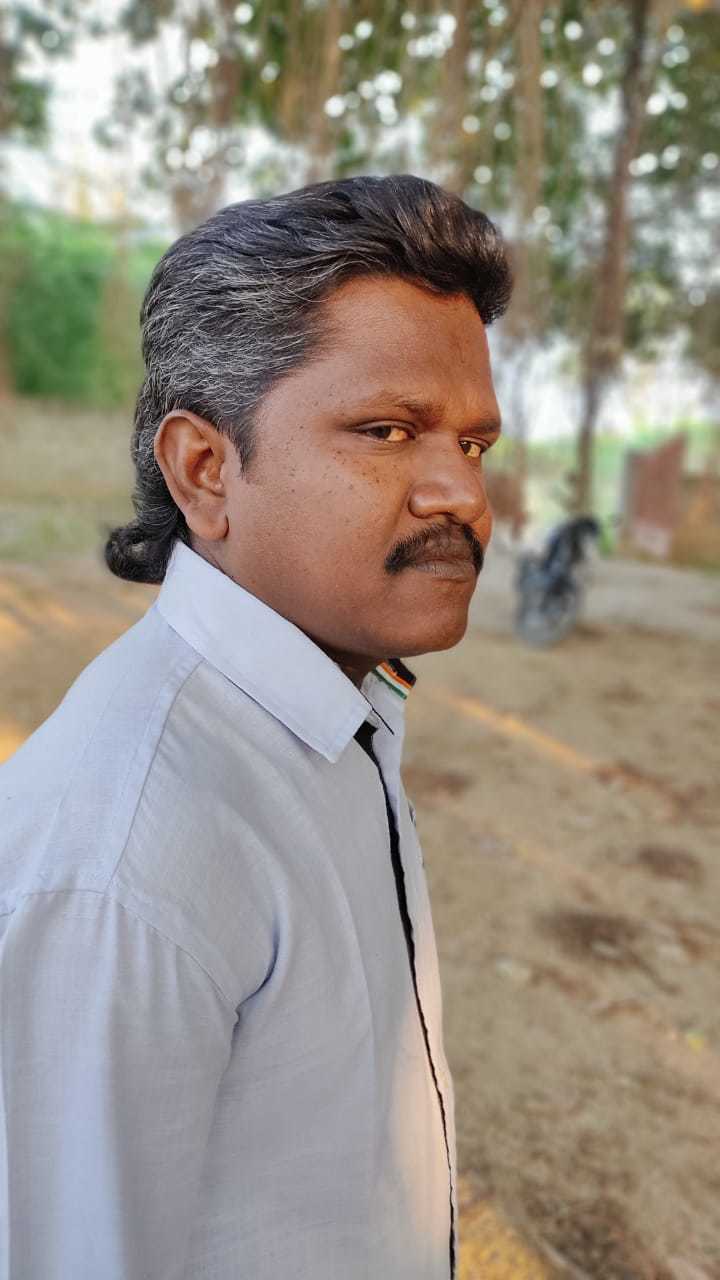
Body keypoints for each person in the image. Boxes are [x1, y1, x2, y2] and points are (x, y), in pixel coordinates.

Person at [0, 174, 511, 1279]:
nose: (462, 496)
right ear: (205, 470)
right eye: (387, 431)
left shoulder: (333, 708)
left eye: (474, 445)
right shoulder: (126, 861)